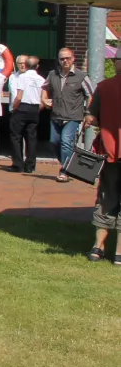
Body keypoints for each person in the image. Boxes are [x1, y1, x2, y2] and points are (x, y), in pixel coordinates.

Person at [84, 71, 121, 262]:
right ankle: (119, 253)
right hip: (112, 151)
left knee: (107, 198)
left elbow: (92, 117)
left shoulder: (104, 87)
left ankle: (97, 248)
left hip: (110, 151)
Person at [46, 47, 91, 183]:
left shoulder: (81, 76)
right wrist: (44, 99)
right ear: (58, 60)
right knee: (54, 142)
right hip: (56, 115)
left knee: (66, 142)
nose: (65, 61)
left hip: (73, 116)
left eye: (67, 58)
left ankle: (65, 170)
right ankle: (69, 164)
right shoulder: (53, 74)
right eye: (62, 58)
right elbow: (45, 87)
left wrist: (88, 113)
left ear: (73, 59)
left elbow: (90, 95)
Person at [9, 54, 44, 173]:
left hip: (22, 107)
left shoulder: (22, 77)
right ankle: (30, 165)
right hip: (34, 108)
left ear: (27, 65)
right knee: (31, 138)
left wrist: (14, 108)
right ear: (37, 66)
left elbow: (19, 97)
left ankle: (18, 164)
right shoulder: (41, 79)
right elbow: (43, 98)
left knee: (15, 136)